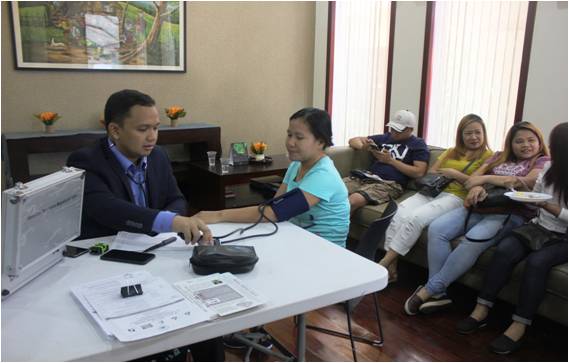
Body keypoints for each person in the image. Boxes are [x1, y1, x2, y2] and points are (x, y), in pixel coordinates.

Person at [67, 89, 223, 362]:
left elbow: (175, 198)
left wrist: (173, 220)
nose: (152, 137)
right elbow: (105, 208)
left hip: (158, 255)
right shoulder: (86, 161)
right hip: (110, 266)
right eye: (143, 129)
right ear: (115, 130)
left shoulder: (158, 156)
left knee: (207, 318)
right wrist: (169, 221)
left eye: (156, 128)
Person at [404, 121, 550, 316]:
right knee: (437, 229)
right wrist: (477, 186)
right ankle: (441, 295)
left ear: (539, 142)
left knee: (473, 238)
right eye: (519, 141)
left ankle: (429, 290)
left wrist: (486, 179)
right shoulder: (498, 157)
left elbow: (526, 181)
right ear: (510, 144)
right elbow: (473, 179)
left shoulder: (543, 161)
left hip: (511, 214)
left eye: (531, 140)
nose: (526, 145)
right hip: (480, 206)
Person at [455, 122, 567, 355]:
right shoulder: (549, 168)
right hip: (540, 226)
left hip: (565, 237)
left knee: (537, 263)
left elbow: (546, 203)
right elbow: (534, 193)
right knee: (505, 250)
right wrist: (515, 189)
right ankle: (481, 309)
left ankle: (519, 325)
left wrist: (548, 205)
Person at [197, 107, 350, 247]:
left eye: (299, 137)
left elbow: (276, 212)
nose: (290, 142)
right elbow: (274, 205)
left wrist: (219, 215)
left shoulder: (324, 175)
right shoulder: (296, 166)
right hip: (297, 238)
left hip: (324, 250)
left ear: (321, 141)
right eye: (289, 135)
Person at [379, 114, 493, 283]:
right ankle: (393, 270)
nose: (473, 137)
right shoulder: (451, 151)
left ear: (484, 134)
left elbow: (474, 183)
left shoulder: (488, 157)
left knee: (416, 218)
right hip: (433, 191)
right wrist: (449, 174)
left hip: (456, 196)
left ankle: (383, 263)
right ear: (461, 135)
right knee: (399, 213)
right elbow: (432, 172)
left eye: (477, 132)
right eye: (468, 133)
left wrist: (454, 173)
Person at [345, 109, 429, 214]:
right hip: (367, 177)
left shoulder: (418, 144)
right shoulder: (385, 137)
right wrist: (365, 147)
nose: (394, 133)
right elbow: (353, 140)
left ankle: (332, 230)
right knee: (329, 191)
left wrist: (390, 161)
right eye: (392, 128)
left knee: (352, 201)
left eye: (399, 130)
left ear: (410, 129)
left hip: (389, 184)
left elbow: (419, 172)